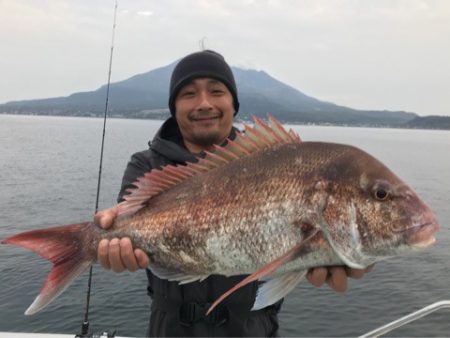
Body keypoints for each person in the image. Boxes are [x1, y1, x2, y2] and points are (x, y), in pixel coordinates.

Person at [94, 50, 372, 337]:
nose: (204, 103)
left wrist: (346, 247)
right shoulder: (147, 165)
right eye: (188, 94)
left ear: (233, 103)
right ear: (173, 106)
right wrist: (111, 241)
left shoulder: (272, 159)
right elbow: (127, 225)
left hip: (252, 329)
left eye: (216, 91)